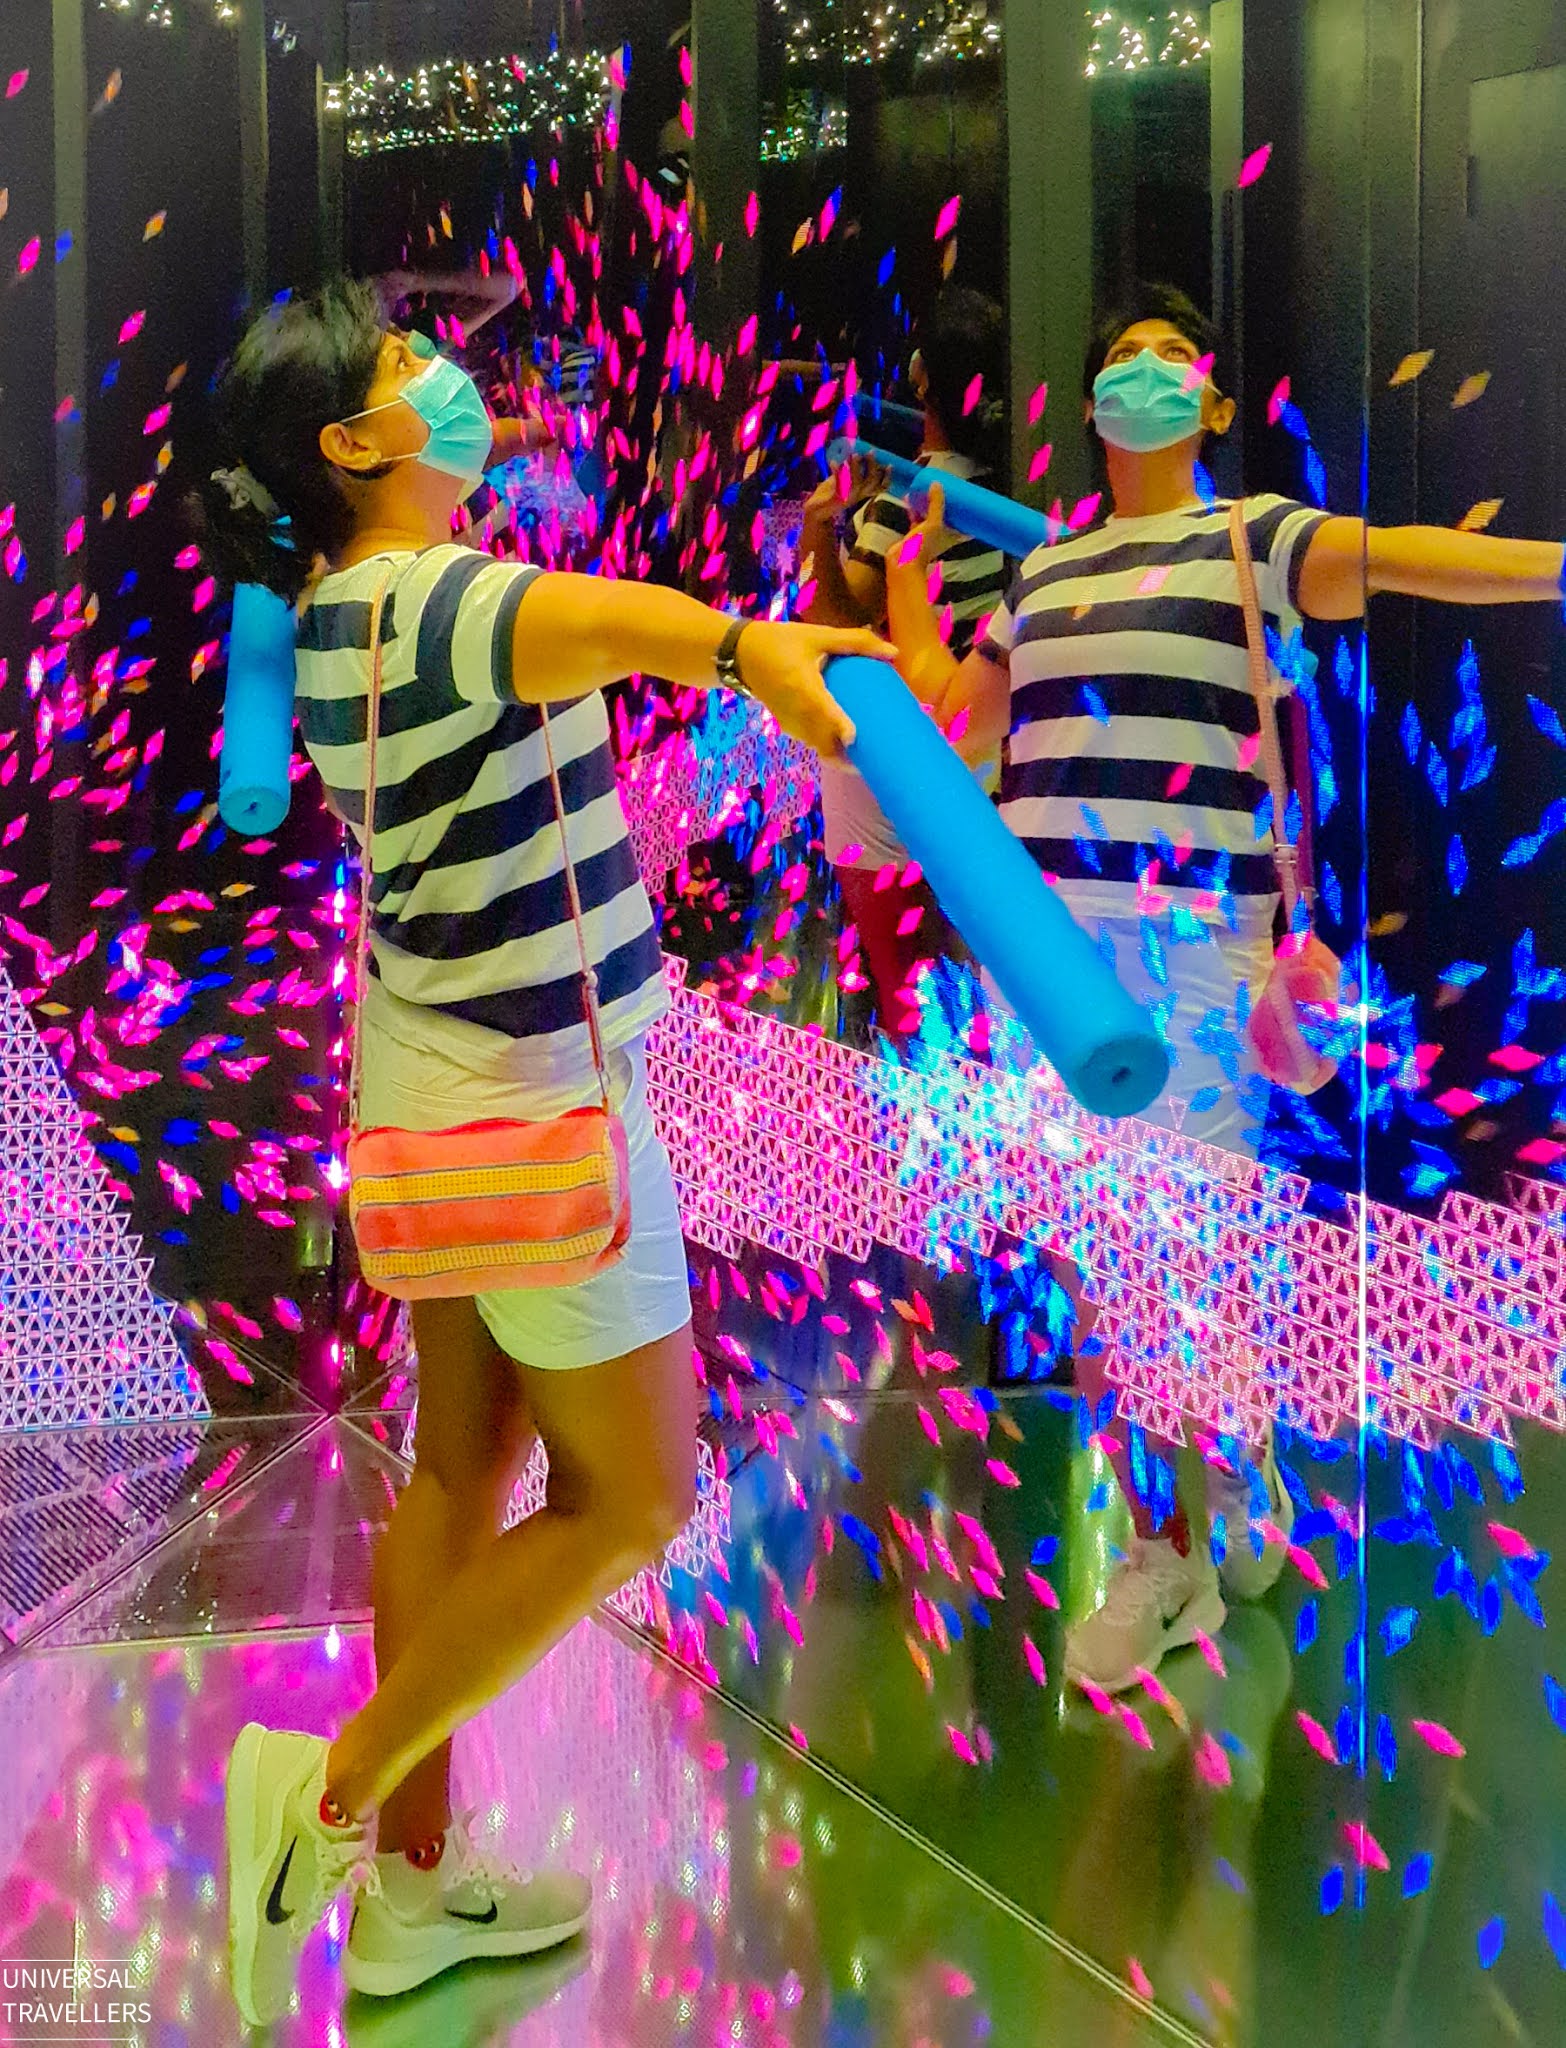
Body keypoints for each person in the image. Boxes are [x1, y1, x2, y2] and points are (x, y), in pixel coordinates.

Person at [197, 280, 889, 2024]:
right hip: (542, 1106)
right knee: (636, 1493)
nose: (449, 376)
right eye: (404, 368)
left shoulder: (342, 607)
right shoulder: (437, 599)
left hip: (435, 1099)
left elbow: (561, 622)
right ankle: (332, 1792)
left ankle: (418, 1896)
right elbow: (623, 624)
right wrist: (759, 649)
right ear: (357, 443)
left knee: (458, 1472)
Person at [885, 281, 1566, 1695]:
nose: (1139, 372)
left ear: (1207, 402)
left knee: (1166, 1256)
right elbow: (956, 716)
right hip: (1050, 961)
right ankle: (1201, 1503)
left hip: (1199, 953)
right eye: (1116, 357)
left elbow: (1400, 558)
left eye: (1166, 357)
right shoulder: (1044, 575)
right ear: (1085, 408)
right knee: (1096, 1253)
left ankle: (1165, 1555)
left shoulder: (1251, 538)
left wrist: (1550, 567)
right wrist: (895, 595)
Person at [801, 288, 1010, 1041]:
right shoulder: (1003, 489)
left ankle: (906, 1132)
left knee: (898, 981)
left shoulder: (911, 498)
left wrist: (819, 525)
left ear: (921, 376)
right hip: (972, 748)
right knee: (965, 968)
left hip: (883, 756)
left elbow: (833, 623)